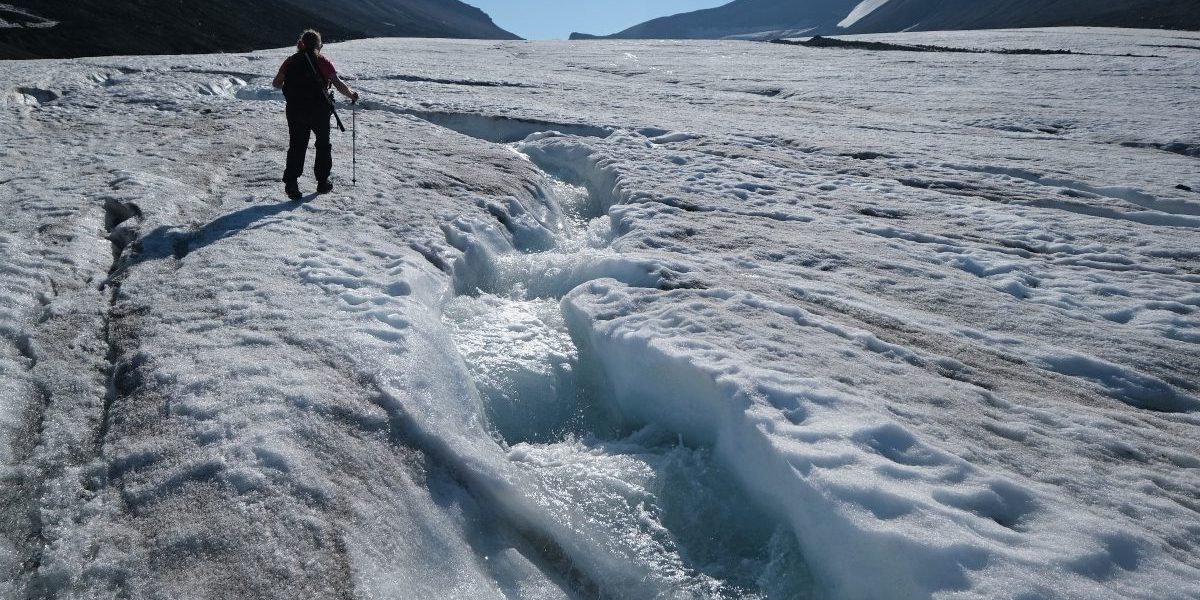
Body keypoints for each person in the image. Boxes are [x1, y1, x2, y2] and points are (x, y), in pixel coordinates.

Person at [272, 29, 359, 200]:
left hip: (295, 110)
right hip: (319, 110)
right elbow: (337, 83)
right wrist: (351, 95)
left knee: (297, 146)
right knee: (323, 145)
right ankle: (322, 181)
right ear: (319, 44)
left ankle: (291, 183)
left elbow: (276, 83)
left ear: (301, 43)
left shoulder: (290, 61)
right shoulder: (323, 61)